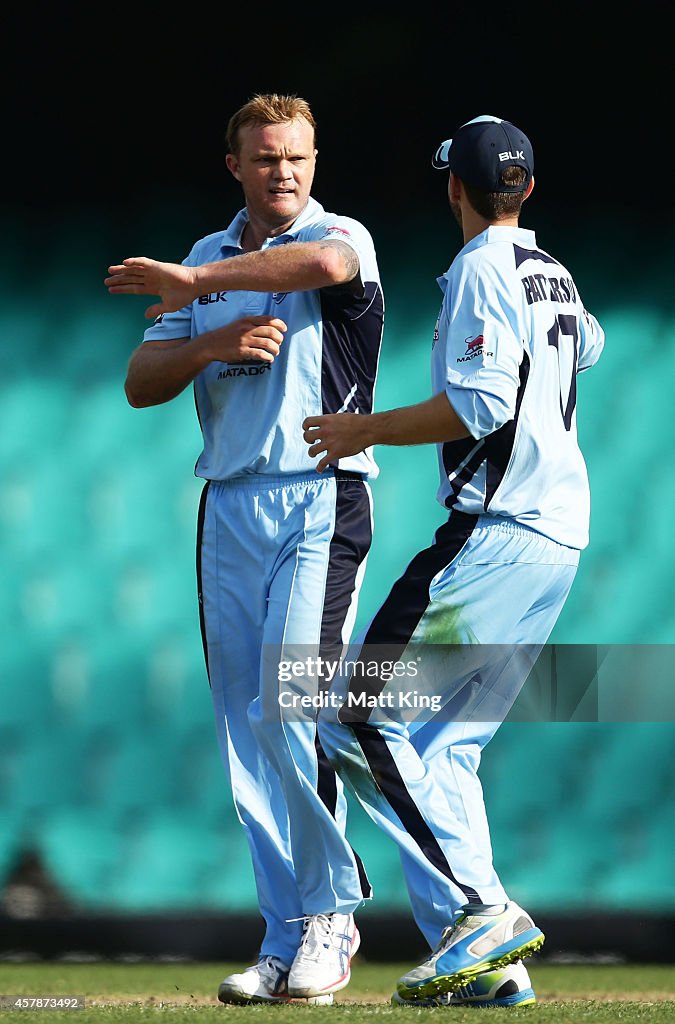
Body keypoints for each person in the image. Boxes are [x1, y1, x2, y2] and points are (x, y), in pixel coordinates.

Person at [301, 114, 605, 1006]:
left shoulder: (480, 267)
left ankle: (480, 910)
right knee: (446, 747)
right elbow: (586, 344)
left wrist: (366, 429)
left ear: (453, 189)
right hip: (558, 533)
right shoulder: (551, 271)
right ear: (528, 189)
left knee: (353, 713)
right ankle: (487, 967)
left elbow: (474, 404)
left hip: (498, 525)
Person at [104, 93, 385, 1004]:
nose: (283, 173)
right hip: (228, 503)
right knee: (242, 732)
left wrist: (203, 290)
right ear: (236, 166)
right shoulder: (201, 258)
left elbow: (321, 264)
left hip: (320, 495)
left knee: (286, 707)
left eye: (296, 157)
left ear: (314, 160)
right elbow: (142, 380)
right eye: (265, 159)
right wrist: (208, 337)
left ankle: (331, 913)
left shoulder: (341, 232)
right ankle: (283, 932)